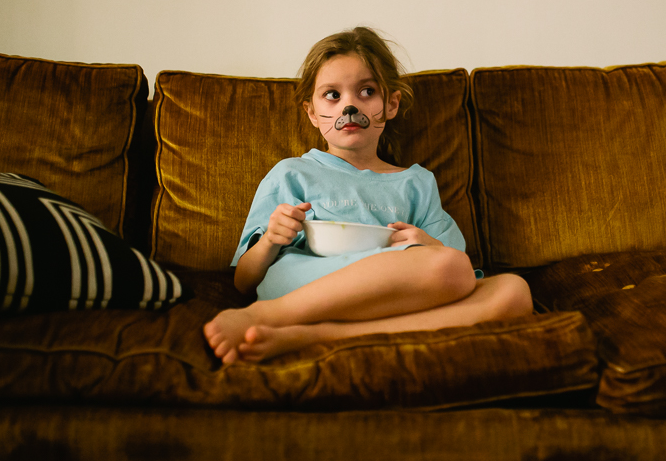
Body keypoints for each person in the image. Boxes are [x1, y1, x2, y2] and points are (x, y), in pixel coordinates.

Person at [204, 27, 533, 365]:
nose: (349, 105)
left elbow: (457, 269)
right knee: (451, 266)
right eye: (332, 95)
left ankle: (315, 337)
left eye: (366, 91)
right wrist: (271, 239)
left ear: (391, 104)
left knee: (513, 290)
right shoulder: (292, 173)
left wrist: (426, 243)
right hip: (305, 289)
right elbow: (243, 281)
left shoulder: (416, 183)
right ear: (312, 113)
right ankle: (268, 316)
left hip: (395, 296)